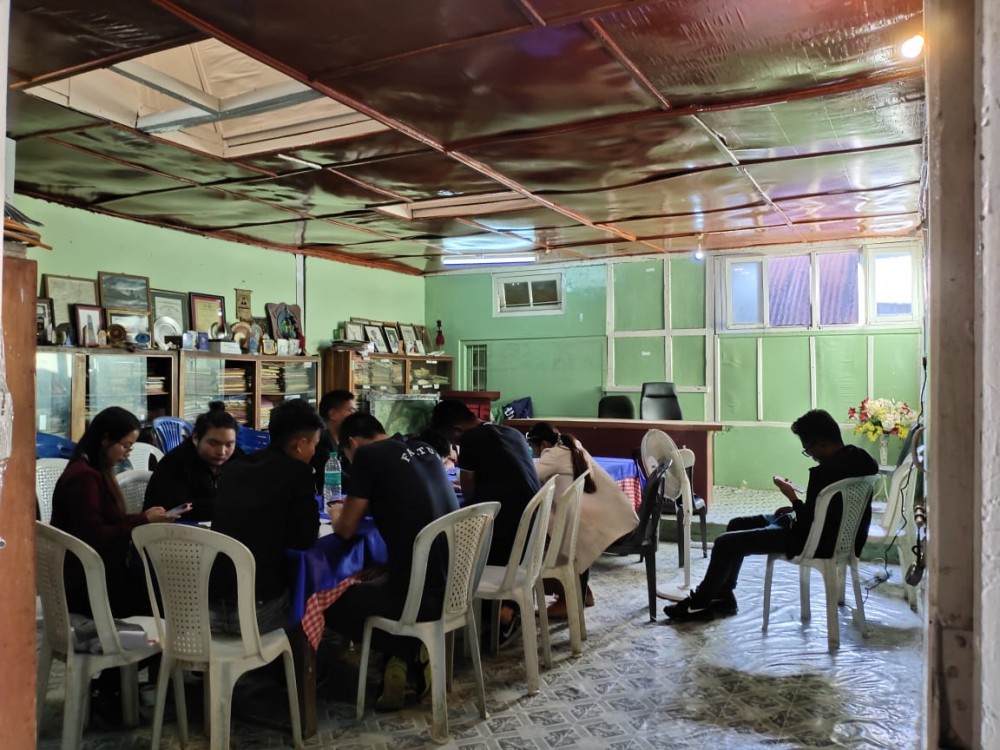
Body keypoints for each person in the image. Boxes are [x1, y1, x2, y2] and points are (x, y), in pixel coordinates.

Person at [663, 409, 879, 622]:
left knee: (724, 543)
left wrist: (791, 497)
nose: (810, 455)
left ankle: (698, 603)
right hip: (838, 537)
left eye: (809, 449)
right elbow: (826, 510)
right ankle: (723, 596)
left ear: (822, 443)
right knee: (737, 524)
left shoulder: (825, 473)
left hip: (810, 541)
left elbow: (807, 522)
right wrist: (794, 509)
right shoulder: (864, 460)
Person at [325, 413, 458, 710]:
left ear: (352, 443)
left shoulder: (367, 455)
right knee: (378, 577)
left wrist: (336, 513)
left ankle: (408, 649)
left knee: (331, 604)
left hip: (418, 595)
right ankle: (411, 654)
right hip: (456, 583)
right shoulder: (424, 449)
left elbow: (346, 529)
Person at [50, 406, 177, 618]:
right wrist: (142, 521)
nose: (127, 454)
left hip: (100, 569)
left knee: (162, 585)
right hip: (86, 580)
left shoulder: (96, 469)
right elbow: (93, 536)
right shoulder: (84, 478)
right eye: (125, 446)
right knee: (163, 597)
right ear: (105, 439)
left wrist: (143, 518)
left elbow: (107, 521)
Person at [210, 399, 322, 634]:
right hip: (257, 612)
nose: (314, 452)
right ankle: (290, 668)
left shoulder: (236, 466)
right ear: (301, 444)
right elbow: (305, 539)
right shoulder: (297, 473)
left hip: (207, 608)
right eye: (314, 444)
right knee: (317, 602)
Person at [430, 399, 540, 641]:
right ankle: (507, 609)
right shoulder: (510, 432)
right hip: (529, 533)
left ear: (457, 431)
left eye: (453, 441)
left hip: (504, 536)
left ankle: (486, 614)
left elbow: (469, 494)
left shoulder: (471, 439)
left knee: (446, 545)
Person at [526, 422, 638, 618]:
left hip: (579, 523)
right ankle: (582, 593)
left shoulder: (553, 455)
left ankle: (568, 599)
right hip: (596, 519)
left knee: (532, 546)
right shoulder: (572, 446)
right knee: (549, 536)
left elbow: (529, 472)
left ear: (543, 444)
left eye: (534, 449)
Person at [142, 402, 242, 523]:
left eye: (229, 444)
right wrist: (229, 504)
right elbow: (179, 508)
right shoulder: (175, 463)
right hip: (174, 532)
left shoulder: (237, 457)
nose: (222, 452)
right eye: (213, 443)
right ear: (195, 438)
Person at [310, 389, 357, 493]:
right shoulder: (320, 442)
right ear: (333, 414)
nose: (355, 416)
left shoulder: (343, 441)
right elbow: (338, 480)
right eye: (351, 411)